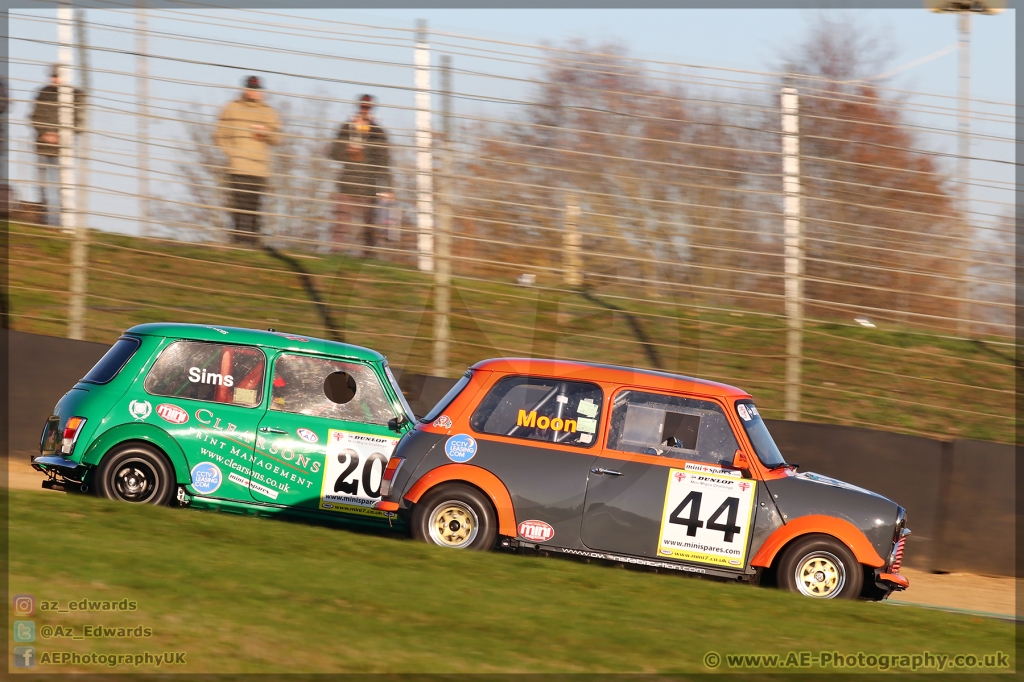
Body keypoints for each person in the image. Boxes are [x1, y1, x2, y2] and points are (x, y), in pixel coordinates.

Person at [214, 75, 281, 244]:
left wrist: (266, 132)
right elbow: (219, 136)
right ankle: (238, 240)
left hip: (259, 169)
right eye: (251, 88)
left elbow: (278, 139)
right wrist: (232, 153)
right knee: (238, 205)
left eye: (257, 89)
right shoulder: (231, 108)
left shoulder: (268, 112)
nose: (254, 92)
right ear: (244, 89)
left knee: (255, 207)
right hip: (237, 167)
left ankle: (253, 242)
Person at [329, 94, 393, 255]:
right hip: (346, 185)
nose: (365, 110)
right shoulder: (346, 128)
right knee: (341, 226)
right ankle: (335, 256)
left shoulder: (378, 133)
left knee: (369, 229)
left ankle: (368, 259)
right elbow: (333, 152)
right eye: (362, 107)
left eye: (368, 107)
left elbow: (384, 162)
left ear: (372, 109)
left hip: (368, 187)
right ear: (358, 107)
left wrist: (389, 188)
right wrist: (347, 152)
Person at [30, 65, 84, 227]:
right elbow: (34, 116)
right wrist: (45, 132)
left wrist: (61, 135)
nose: (53, 79)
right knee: (43, 185)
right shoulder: (43, 93)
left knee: (63, 185)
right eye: (52, 76)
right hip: (42, 145)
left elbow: (79, 122)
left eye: (56, 76)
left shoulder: (77, 95)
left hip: (64, 149)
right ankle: (45, 219)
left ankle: (62, 221)